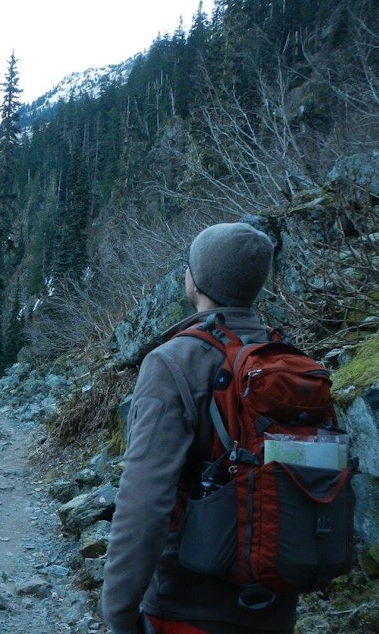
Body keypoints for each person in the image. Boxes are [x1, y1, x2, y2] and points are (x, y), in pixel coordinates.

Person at [100, 222, 297, 634]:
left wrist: (118, 611)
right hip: (275, 605)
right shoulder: (287, 360)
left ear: (195, 280)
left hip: (188, 607)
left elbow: (144, 499)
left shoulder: (174, 362)